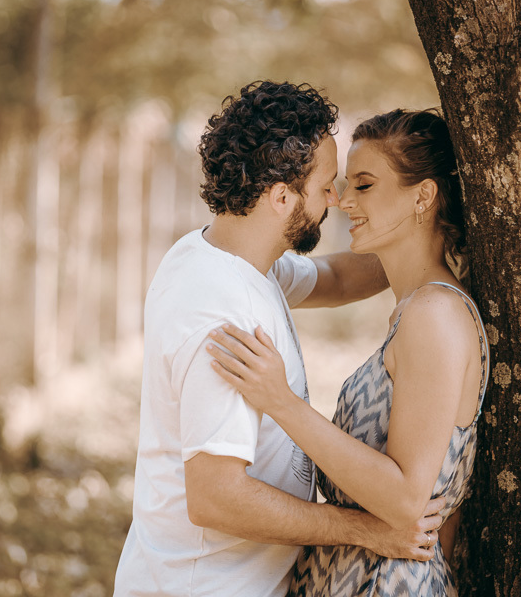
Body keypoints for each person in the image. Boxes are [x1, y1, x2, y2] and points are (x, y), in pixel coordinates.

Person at [113, 84, 445, 597]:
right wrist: (366, 530)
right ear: (282, 197)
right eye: (326, 186)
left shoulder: (224, 256)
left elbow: (337, 279)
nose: (335, 199)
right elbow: (217, 497)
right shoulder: (223, 315)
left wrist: (418, 233)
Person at [208, 108, 490, 596]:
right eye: (342, 185)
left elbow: (406, 500)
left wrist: (282, 403)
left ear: (424, 195)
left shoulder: (435, 316)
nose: (341, 201)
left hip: (385, 581)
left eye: (364, 185)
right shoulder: (413, 298)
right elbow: (334, 278)